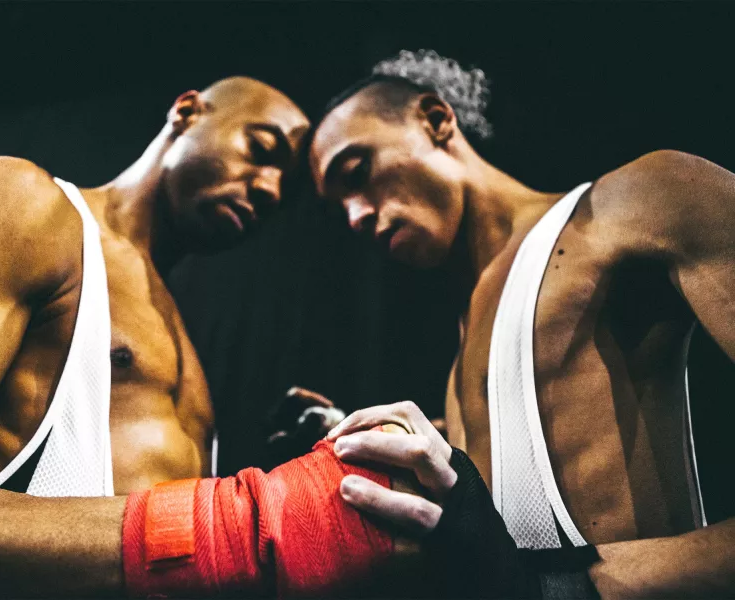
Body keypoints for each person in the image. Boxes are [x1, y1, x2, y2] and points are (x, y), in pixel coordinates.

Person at [0, 76, 421, 598]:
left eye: (285, 187)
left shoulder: (181, 341)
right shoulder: (20, 206)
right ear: (186, 111)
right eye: (262, 150)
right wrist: (236, 526)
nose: (270, 188)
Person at [309, 50, 735, 597]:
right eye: (339, 205)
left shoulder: (641, 199)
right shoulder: (465, 345)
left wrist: (562, 586)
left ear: (436, 120)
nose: (356, 215)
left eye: (357, 172)